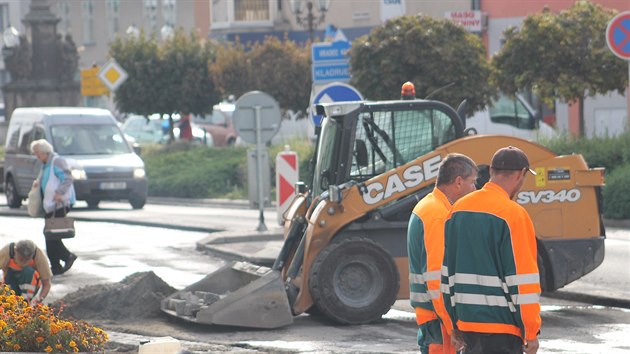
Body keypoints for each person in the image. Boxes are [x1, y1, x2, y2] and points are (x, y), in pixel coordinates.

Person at [441, 146, 541, 354]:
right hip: (502, 329)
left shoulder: (457, 210)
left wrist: (452, 323)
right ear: (521, 174)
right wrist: (531, 331)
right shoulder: (514, 215)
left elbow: (446, 274)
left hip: (466, 325)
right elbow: (522, 281)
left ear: (491, 171)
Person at [407, 153, 478, 354]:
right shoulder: (438, 216)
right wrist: (451, 325)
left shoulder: (430, 207)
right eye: (472, 183)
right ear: (458, 182)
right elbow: (436, 277)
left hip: (432, 319)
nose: (474, 189)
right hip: (439, 322)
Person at [31, 139, 78, 276]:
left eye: (37, 153)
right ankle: (57, 264)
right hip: (50, 204)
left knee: (50, 235)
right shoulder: (45, 164)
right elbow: (45, 180)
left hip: (60, 202)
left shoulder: (57, 161)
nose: (36, 156)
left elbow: (68, 178)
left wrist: (59, 192)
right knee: (51, 235)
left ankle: (63, 259)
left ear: (45, 151)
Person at [0, 240, 52, 305]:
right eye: (21, 258)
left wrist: (39, 299)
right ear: (15, 251)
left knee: (28, 271)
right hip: (10, 283)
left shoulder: (38, 255)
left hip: (30, 287)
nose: (24, 261)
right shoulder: (7, 251)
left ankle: (25, 303)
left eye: (27, 259)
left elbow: (47, 284)